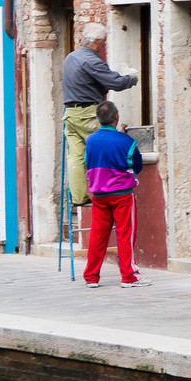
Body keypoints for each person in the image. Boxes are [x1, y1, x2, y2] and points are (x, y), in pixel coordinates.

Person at [62, 23, 137, 208]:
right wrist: (131, 78)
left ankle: (79, 197)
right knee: (107, 148)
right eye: (102, 42)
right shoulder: (91, 61)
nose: (103, 45)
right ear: (96, 41)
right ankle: (109, 192)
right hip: (88, 113)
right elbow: (116, 83)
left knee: (76, 156)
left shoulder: (71, 58)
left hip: (70, 113)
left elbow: (92, 83)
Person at [82, 101, 149, 289]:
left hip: (99, 194)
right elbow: (137, 166)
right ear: (116, 117)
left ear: (99, 118)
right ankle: (128, 276)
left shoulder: (90, 141)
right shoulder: (127, 141)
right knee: (125, 234)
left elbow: (87, 163)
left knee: (97, 235)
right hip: (122, 194)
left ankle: (91, 277)